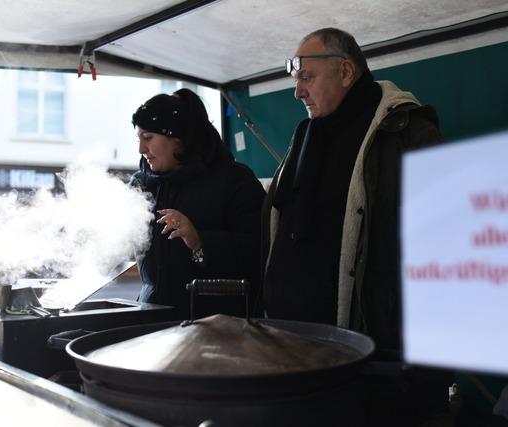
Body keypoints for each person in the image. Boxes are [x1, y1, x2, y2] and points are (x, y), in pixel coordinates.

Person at [261, 28, 449, 425]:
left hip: (376, 367)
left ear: (346, 71)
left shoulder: (407, 134)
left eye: (306, 77)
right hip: (297, 360)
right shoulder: (304, 139)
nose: (297, 92)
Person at [131, 88, 266, 319]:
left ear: (178, 140)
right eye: (138, 139)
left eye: (148, 138)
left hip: (216, 329)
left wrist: (200, 241)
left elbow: (259, 251)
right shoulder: (141, 185)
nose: (141, 150)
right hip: (150, 323)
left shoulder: (234, 181)